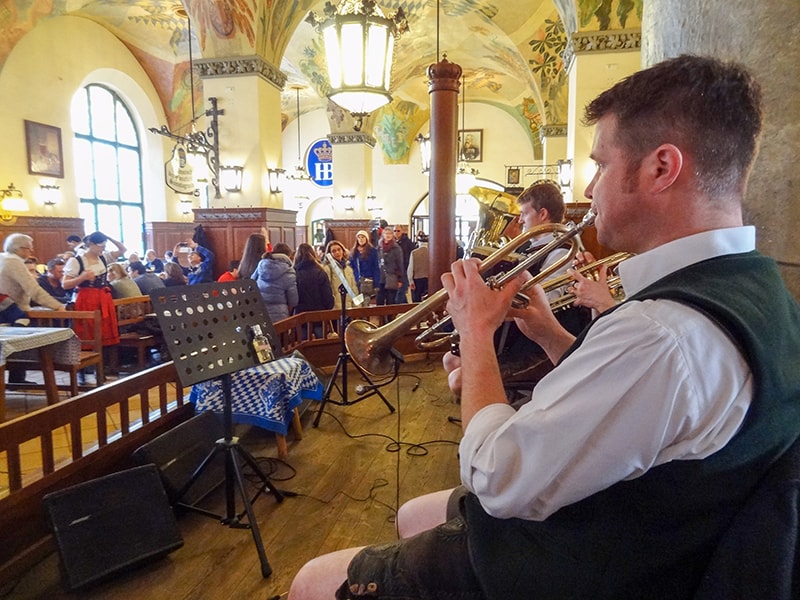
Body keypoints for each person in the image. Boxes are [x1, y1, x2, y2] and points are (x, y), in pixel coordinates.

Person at [289, 55, 800, 599]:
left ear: (661, 168)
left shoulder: (662, 333)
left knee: (309, 582)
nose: (591, 185)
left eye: (601, 164)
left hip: (591, 564)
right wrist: (551, 337)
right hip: (650, 531)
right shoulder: (766, 293)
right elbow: (645, 417)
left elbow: (499, 479)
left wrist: (477, 339)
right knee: (415, 512)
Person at [62, 231, 126, 348]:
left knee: (105, 329)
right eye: (101, 246)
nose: (103, 249)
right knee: (89, 330)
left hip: (103, 297)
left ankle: (105, 360)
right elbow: (65, 284)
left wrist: (107, 236)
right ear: (91, 244)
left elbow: (122, 250)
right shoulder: (77, 261)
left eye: (104, 246)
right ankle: (91, 359)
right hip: (86, 298)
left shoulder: (103, 258)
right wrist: (82, 278)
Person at [0, 234, 65, 311]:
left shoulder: (3, 258)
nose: (32, 251)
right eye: (29, 248)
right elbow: (34, 290)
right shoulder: (13, 262)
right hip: (12, 311)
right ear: (17, 249)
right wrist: (58, 306)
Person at [293, 243, 334, 339]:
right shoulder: (320, 272)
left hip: (301, 315)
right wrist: (329, 306)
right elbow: (327, 296)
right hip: (319, 314)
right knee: (321, 344)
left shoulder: (294, 273)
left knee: (302, 345)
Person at [253, 242, 298, 324]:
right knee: (279, 336)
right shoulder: (289, 272)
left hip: (260, 311)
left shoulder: (261, 264)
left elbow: (251, 284)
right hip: (280, 315)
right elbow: (293, 301)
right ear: (288, 256)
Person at [322, 240, 359, 309]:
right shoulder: (328, 268)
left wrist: (357, 305)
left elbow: (354, 288)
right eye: (334, 251)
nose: (337, 252)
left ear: (343, 251)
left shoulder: (348, 268)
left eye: (339, 249)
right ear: (329, 254)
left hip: (349, 306)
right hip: (336, 307)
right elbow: (327, 289)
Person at [375, 227, 404, 306]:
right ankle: (381, 317)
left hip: (392, 277)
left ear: (392, 235)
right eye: (386, 233)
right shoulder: (379, 248)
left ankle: (390, 318)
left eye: (390, 233)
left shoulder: (396, 248)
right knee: (379, 300)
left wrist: (400, 279)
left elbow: (400, 264)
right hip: (380, 277)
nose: (388, 235)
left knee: (391, 300)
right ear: (383, 235)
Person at [349, 230, 380, 299]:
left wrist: (376, 283)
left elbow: (376, 268)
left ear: (366, 238)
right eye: (359, 237)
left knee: (366, 301)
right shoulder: (353, 251)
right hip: (356, 280)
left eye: (363, 237)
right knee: (357, 301)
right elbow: (351, 267)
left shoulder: (372, 251)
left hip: (367, 280)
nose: (361, 239)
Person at [393, 224, 415, 303]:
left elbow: (412, 256)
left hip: (405, 270)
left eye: (398, 231)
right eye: (394, 231)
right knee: (396, 292)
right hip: (394, 271)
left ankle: (399, 311)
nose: (396, 233)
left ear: (402, 231)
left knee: (401, 291)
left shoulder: (408, 242)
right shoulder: (392, 243)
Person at [406, 233, 429, 302]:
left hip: (417, 279)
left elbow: (410, 268)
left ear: (419, 242)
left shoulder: (414, 253)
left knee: (417, 300)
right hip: (429, 279)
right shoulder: (432, 253)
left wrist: (410, 281)